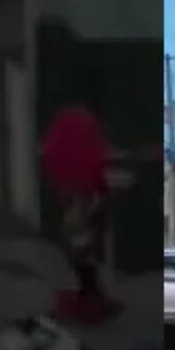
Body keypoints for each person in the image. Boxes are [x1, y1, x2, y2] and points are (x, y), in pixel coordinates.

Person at [40, 105, 120, 322]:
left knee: (81, 250)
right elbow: (99, 168)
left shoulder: (61, 142)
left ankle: (90, 296)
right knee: (87, 251)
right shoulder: (88, 144)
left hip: (75, 200)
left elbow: (51, 160)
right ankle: (91, 298)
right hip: (86, 200)